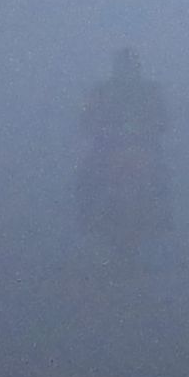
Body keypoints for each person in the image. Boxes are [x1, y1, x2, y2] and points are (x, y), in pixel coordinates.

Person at [75, 46, 173, 274]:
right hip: (108, 151)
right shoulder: (105, 91)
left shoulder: (147, 92)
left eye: (130, 66)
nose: (127, 71)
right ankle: (88, 217)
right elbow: (87, 121)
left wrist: (143, 132)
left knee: (159, 180)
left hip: (140, 149)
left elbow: (163, 122)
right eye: (124, 66)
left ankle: (160, 217)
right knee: (86, 179)